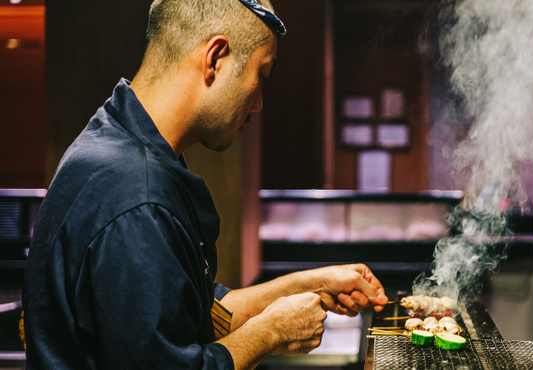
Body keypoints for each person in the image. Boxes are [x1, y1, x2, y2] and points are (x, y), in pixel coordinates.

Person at [22, 0, 389, 368]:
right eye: (261, 76)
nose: (259, 103)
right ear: (214, 57)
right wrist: (270, 333)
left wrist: (311, 285)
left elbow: (194, 310)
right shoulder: (137, 197)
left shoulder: (122, 144)